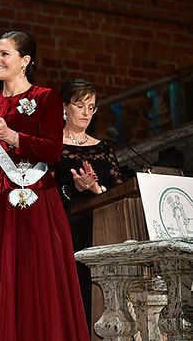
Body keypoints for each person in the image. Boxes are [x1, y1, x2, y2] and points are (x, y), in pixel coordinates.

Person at [0, 30, 88, 341]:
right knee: (0, 281)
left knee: (38, 281)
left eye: (4, 54)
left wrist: (12, 137)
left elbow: (53, 151)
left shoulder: (45, 98)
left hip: (38, 200)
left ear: (25, 61)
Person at [55, 78, 123, 332]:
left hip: (105, 231)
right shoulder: (52, 146)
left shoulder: (103, 147)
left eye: (91, 107)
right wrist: (76, 187)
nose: (86, 113)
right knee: (75, 299)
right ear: (64, 108)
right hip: (68, 233)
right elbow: (45, 192)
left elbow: (119, 188)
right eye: (80, 105)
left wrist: (98, 190)